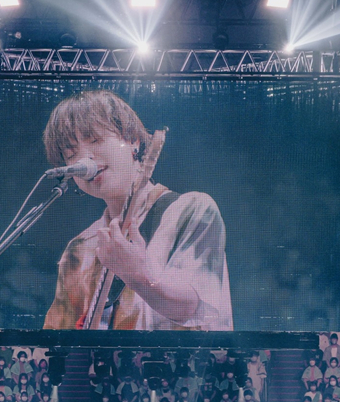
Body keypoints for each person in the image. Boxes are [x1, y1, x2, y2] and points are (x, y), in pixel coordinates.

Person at [41, 89, 233, 331]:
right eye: (71, 154)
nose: (84, 159)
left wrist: (137, 275)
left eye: (95, 140)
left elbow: (192, 309)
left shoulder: (191, 210)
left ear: (133, 140)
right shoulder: (79, 249)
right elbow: (58, 340)